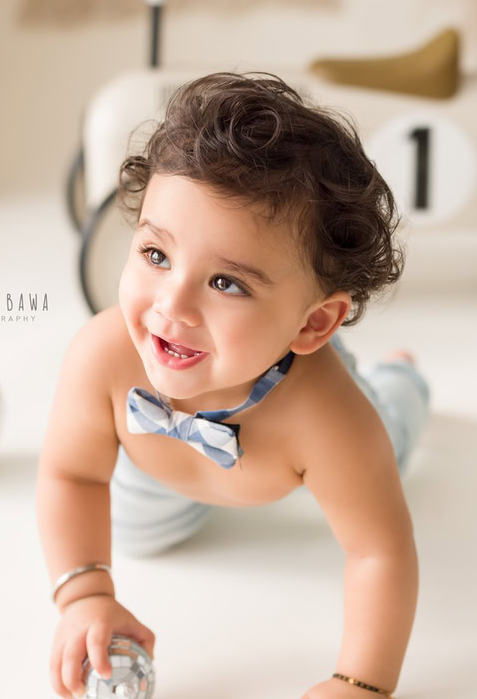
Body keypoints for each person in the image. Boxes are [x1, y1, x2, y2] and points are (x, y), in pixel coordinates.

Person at [36, 73, 430, 698]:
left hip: (304, 423)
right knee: (142, 535)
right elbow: (73, 476)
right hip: (160, 462)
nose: (172, 305)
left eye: (227, 283)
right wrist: (84, 595)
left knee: (393, 446)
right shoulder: (105, 357)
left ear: (312, 321)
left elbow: (379, 552)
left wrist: (362, 683)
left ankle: (401, 374)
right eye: (156, 255)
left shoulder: (329, 419)